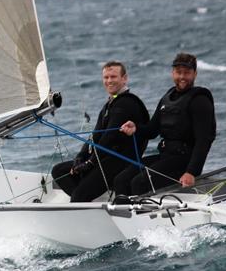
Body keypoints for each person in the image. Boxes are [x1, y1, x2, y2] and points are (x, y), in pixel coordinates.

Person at [114, 52, 216, 196]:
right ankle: (122, 213)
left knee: (139, 182)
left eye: (187, 73)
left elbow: (204, 140)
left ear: (195, 74)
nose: (182, 77)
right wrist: (136, 128)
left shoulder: (200, 100)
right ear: (172, 73)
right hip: (165, 156)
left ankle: (141, 215)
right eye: (178, 72)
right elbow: (152, 130)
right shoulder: (168, 97)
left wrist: (191, 172)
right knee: (121, 179)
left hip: (184, 162)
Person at [51, 61, 149, 202]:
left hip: (120, 162)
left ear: (124, 78)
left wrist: (89, 163)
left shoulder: (126, 103)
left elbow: (109, 138)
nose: (109, 81)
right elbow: (95, 136)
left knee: (79, 196)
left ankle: (81, 198)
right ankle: (84, 199)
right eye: (106, 77)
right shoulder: (109, 105)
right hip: (103, 158)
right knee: (59, 171)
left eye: (113, 77)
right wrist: (80, 157)